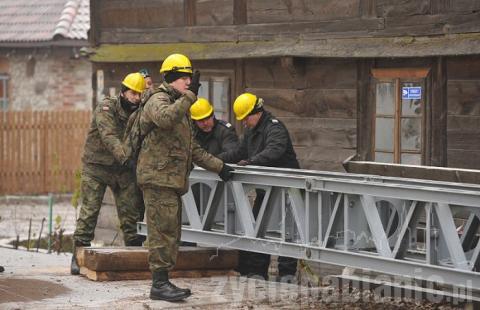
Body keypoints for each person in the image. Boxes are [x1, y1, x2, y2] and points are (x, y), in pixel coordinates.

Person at [137, 53, 234, 301]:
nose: (188, 83)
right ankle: (159, 284)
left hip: (170, 180)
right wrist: (190, 98)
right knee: (161, 232)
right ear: (170, 79)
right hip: (158, 178)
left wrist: (219, 166)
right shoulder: (157, 100)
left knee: (171, 232)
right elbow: (166, 119)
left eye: (189, 79)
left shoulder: (180, 106)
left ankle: (163, 281)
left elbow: (193, 150)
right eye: (183, 78)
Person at [71, 73, 147, 275]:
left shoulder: (140, 110)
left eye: (140, 94)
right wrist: (126, 158)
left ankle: (134, 255)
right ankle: (77, 256)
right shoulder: (106, 108)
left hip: (123, 170)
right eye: (133, 93)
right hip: (97, 167)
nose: (137, 98)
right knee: (89, 212)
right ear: (123, 92)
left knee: (131, 215)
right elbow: (109, 136)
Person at [221, 92, 300, 282]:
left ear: (257, 112)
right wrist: (215, 160)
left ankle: (286, 275)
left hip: (287, 191)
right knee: (258, 229)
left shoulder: (275, 128)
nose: (244, 122)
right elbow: (238, 152)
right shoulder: (251, 131)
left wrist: (251, 162)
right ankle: (258, 272)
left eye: (246, 118)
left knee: (287, 233)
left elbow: (274, 151)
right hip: (266, 191)